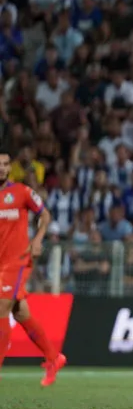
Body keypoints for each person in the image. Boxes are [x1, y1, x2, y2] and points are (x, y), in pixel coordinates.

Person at [0, 148, 65, 386]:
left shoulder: (21, 192)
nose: (2, 168)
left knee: (2, 306)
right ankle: (54, 357)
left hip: (17, 260)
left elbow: (45, 215)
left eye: (5, 164)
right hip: (0, 263)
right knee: (20, 312)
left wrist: (37, 239)